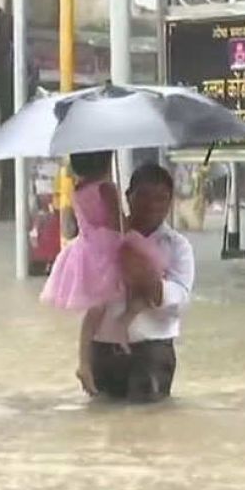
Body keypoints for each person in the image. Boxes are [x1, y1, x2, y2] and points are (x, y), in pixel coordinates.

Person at [40, 152, 168, 397]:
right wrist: (132, 232)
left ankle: (85, 359)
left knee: (97, 308)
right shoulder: (106, 188)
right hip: (109, 246)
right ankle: (123, 324)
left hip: (87, 247)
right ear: (108, 162)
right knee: (141, 283)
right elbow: (116, 221)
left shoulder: (78, 189)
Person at [89, 164, 195, 402]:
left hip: (151, 349)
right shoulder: (104, 238)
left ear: (171, 201)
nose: (152, 205)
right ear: (128, 197)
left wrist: (149, 278)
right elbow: (89, 294)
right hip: (103, 347)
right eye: (143, 196)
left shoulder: (177, 246)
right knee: (101, 424)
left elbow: (181, 300)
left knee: (149, 424)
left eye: (161, 198)